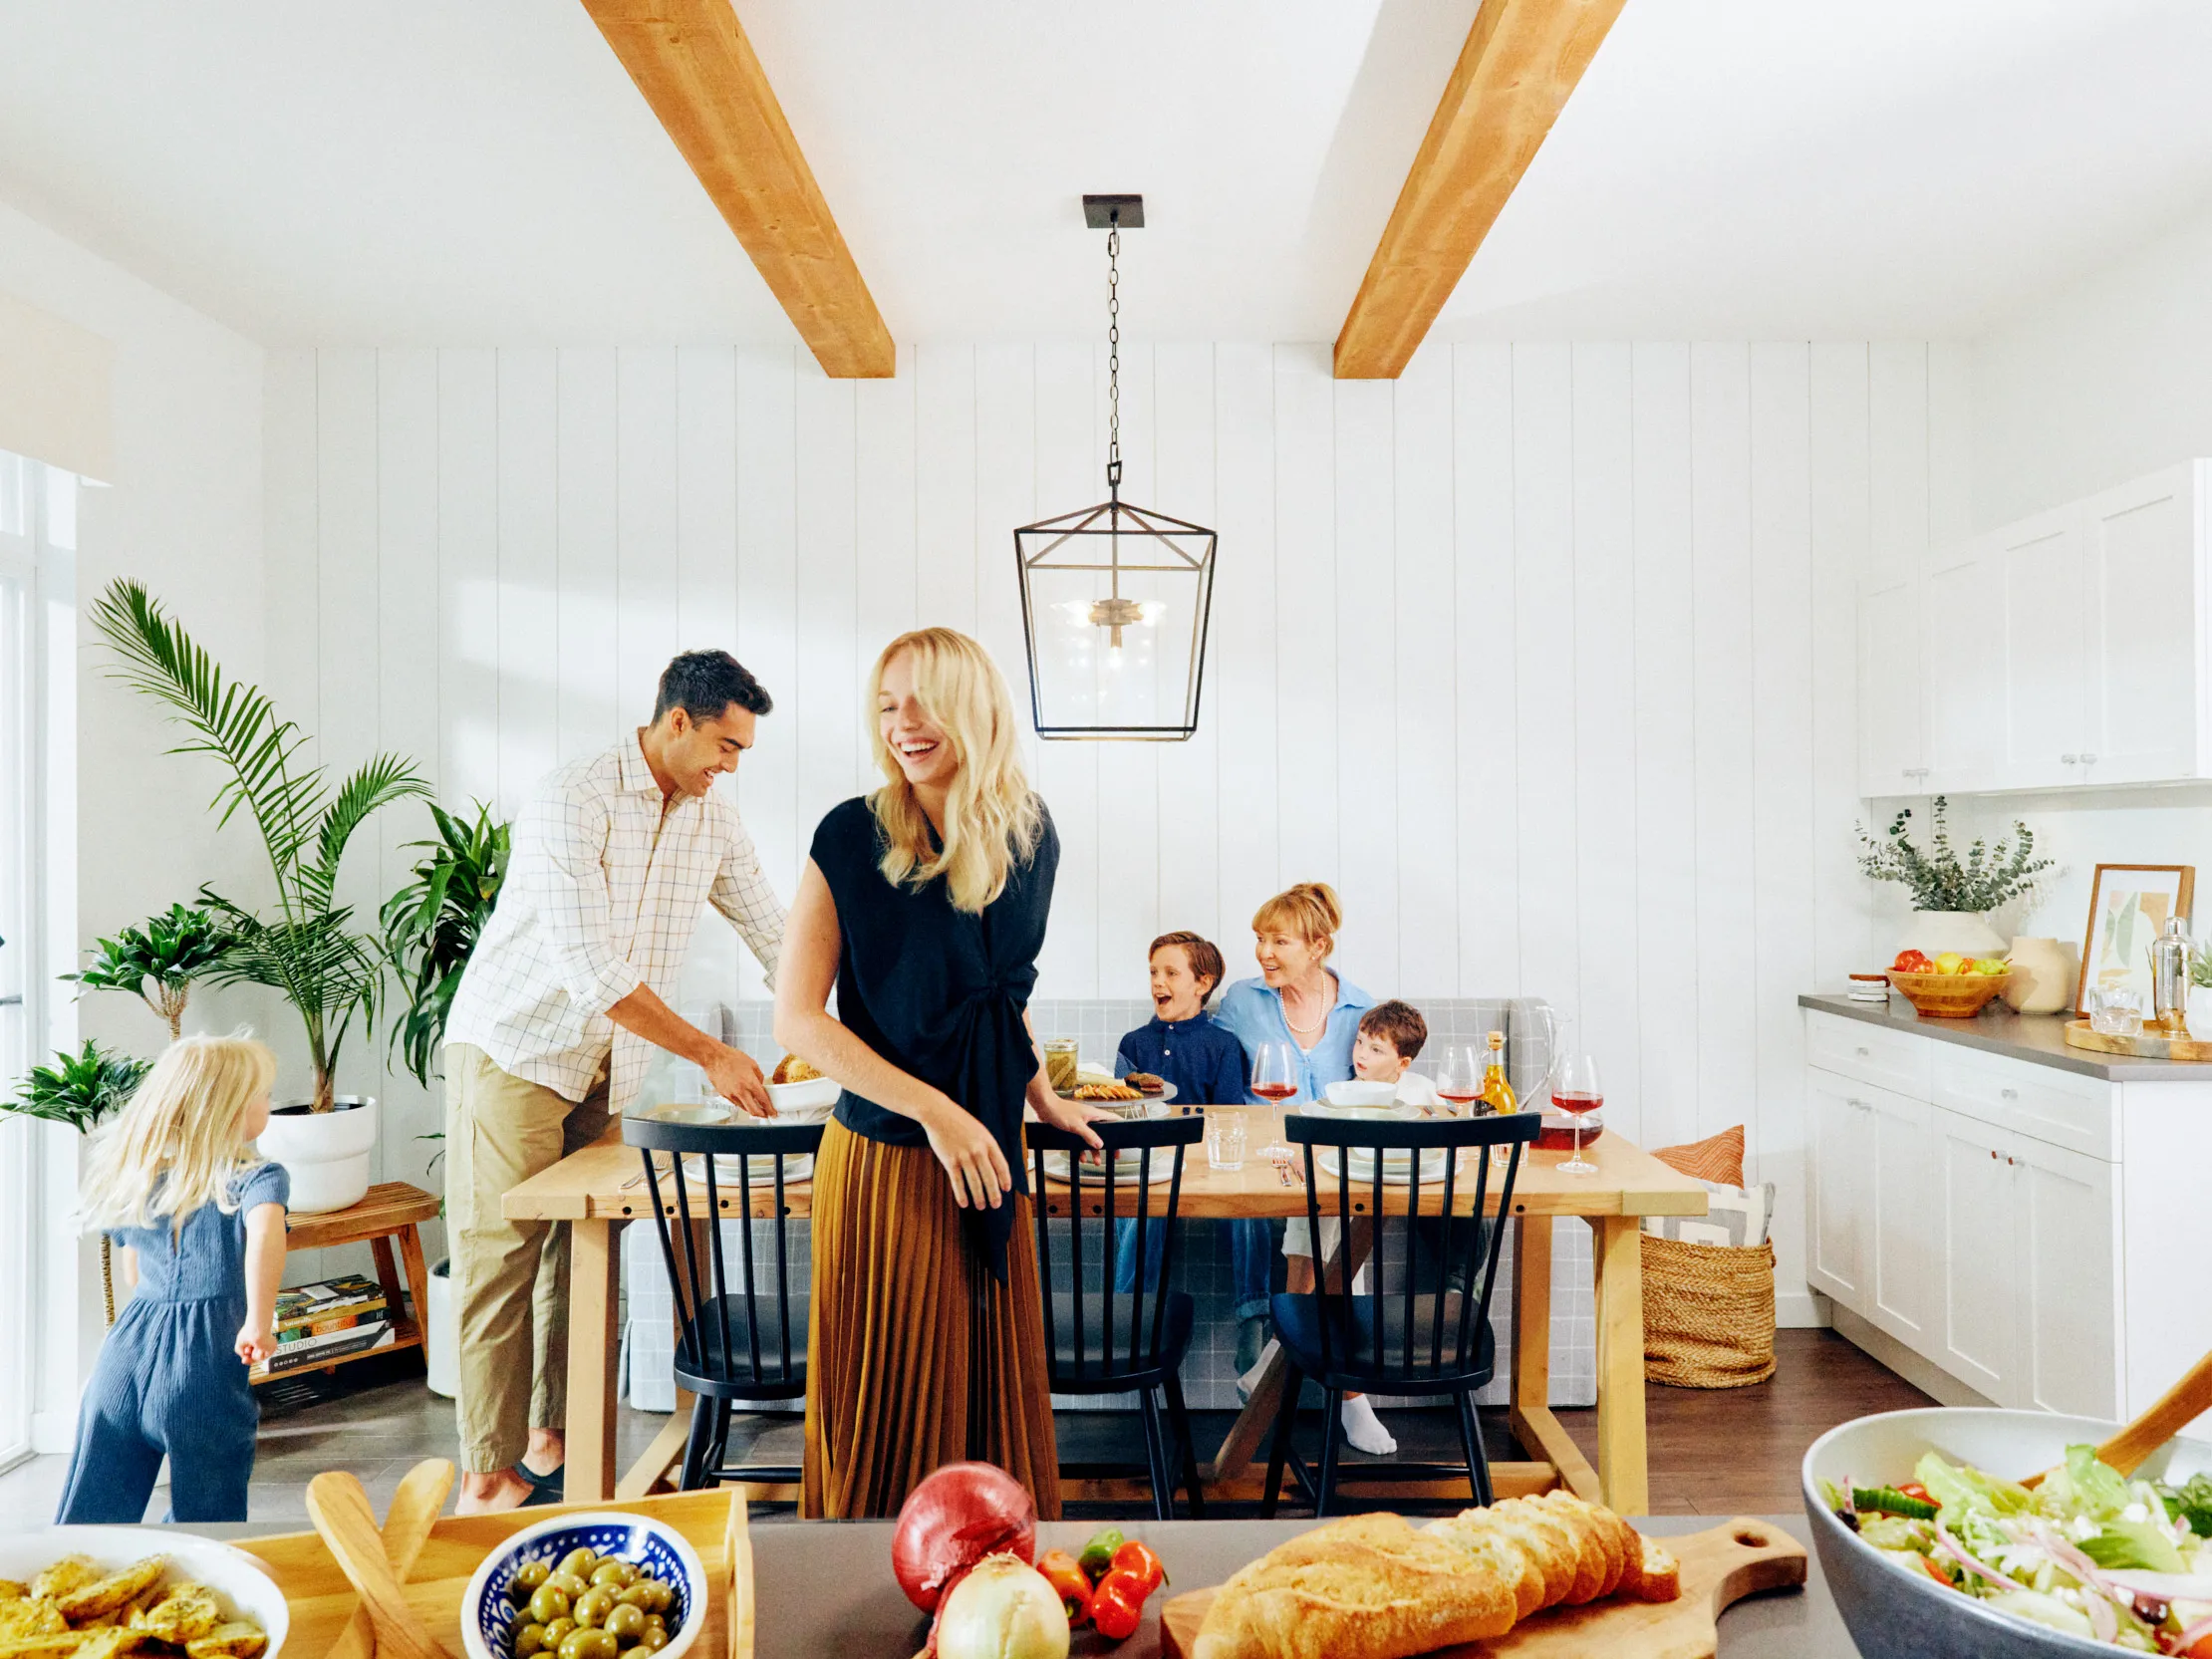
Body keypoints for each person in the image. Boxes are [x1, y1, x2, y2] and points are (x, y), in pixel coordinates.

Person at [442, 649, 788, 1513]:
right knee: (502, 1257)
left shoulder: (712, 822)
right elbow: (592, 968)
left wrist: (836, 1031)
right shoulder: (575, 798)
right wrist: (713, 1053)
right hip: (516, 1050)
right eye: (724, 744)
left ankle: (556, 1443)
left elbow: (780, 936)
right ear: (677, 720)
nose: (731, 765)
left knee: (580, 1253)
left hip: (608, 1064)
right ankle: (487, 1472)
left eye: (742, 750)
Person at [779, 627, 1109, 1520]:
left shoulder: (1029, 832)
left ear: (978, 709)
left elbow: (1000, 997)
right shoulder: (851, 834)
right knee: (894, 1412)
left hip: (992, 1151)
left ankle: (991, 1595)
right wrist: (938, 1113)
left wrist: (1041, 1096)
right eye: (888, 705)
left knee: (988, 1403)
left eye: (923, 701)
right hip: (892, 1161)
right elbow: (798, 1019)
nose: (903, 724)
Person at [56, 1034, 287, 1523]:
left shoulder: (142, 1174)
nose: (270, 1102)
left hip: (124, 1354)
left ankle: (62, 1586)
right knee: (206, 1515)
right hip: (199, 1369)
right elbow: (266, 1234)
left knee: (93, 1508)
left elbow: (134, 1266)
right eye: (264, 1094)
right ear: (231, 1110)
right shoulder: (256, 1177)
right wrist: (258, 1323)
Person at [1214, 883, 1375, 1386]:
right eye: (1260, 938)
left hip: (1328, 1156)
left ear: (1318, 948)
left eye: (1279, 941)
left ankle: (1282, 1355)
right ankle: (1265, 1326)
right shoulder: (1243, 999)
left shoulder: (1359, 1010)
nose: (1263, 951)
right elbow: (1215, 1072)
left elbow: (1373, 1099)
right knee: (1308, 1208)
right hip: (1262, 1149)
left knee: (1340, 1201)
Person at [1277, 997, 1439, 1457]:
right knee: (1315, 1210)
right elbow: (1317, 1134)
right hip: (1352, 1196)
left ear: (1403, 1063)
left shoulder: (1421, 1090)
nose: (1362, 1054)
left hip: (1405, 1193)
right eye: (1360, 1043)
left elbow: (1447, 1127)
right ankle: (1351, 1401)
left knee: (1334, 1217)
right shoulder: (1343, 1092)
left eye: (1376, 1049)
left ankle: (1281, 1350)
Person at [1109, 931, 1249, 1290]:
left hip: (1204, 1167)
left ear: (1203, 983)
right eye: (1154, 973)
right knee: (1145, 1206)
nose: (1158, 982)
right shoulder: (1133, 1042)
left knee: (1249, 1214)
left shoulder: (1224, 1045)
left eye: (1171, 973)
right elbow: (1122, 1117)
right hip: (1147, 1167)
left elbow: (1228, 1117)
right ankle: (1132, 1312)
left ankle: (1252, 1317)